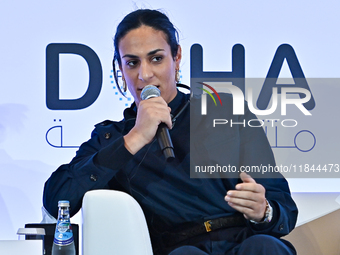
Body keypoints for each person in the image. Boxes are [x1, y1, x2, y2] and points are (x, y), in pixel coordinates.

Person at [43, 9, 298, 255]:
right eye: (132, 62)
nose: (145, 74)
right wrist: (135, 138)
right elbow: (57, 200)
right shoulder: (113, 138)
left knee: (266, 247)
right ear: (120, 69)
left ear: (176, 57)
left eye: (156, 58)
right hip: (180, 248)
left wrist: (264, 211)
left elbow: (284, 207)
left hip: (245, 241)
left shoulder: (227, 113)